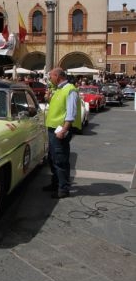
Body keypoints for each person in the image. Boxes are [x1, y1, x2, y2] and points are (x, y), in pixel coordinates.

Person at [44, 67, 82, 198]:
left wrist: (65, 129)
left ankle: (63, 189)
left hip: (60, 129)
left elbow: (71, 113)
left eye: (51, 76)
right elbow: (58, 107)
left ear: (57, 76)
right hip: (53, 128)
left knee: (60, 159)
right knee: (52, 158)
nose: (49, 79)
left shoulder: (70, 89)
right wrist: (49, 98)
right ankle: (55, 184)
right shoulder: (59, 89)